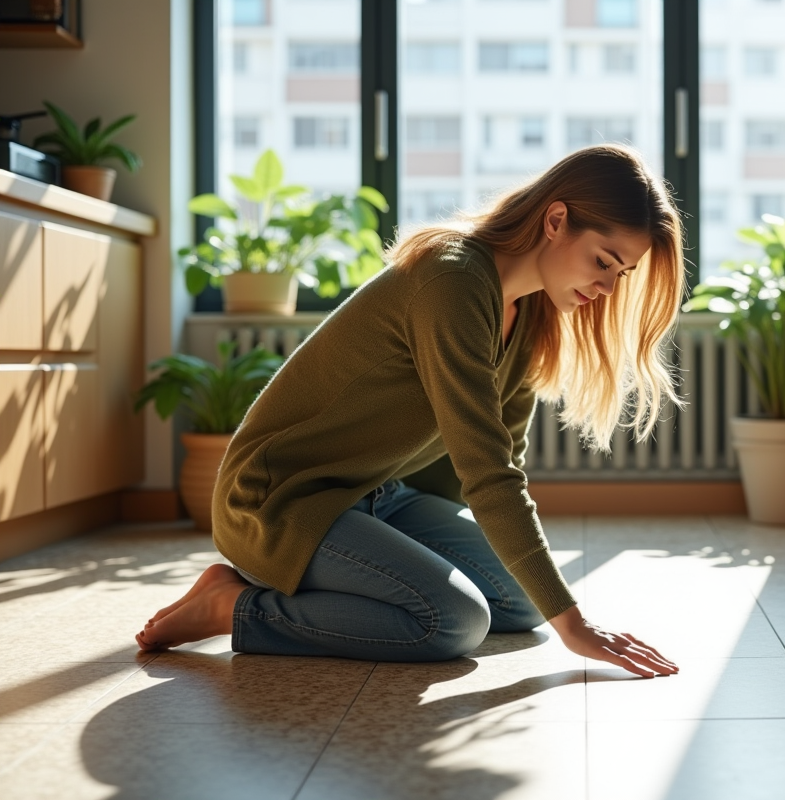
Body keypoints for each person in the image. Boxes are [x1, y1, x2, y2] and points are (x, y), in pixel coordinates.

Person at [136, 145, 682, 678]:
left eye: (621, 274)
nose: (608, 287)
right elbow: (486, 469)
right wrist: (577, 625)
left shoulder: (536, 314)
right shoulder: (453, 279)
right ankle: (230, 607)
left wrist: (540, 599)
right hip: (283, 499)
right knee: (452, 622)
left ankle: (325, 578)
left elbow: (503, 457)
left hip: (381, 495)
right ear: (556, 219)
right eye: (603, 262)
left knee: (522, 601)